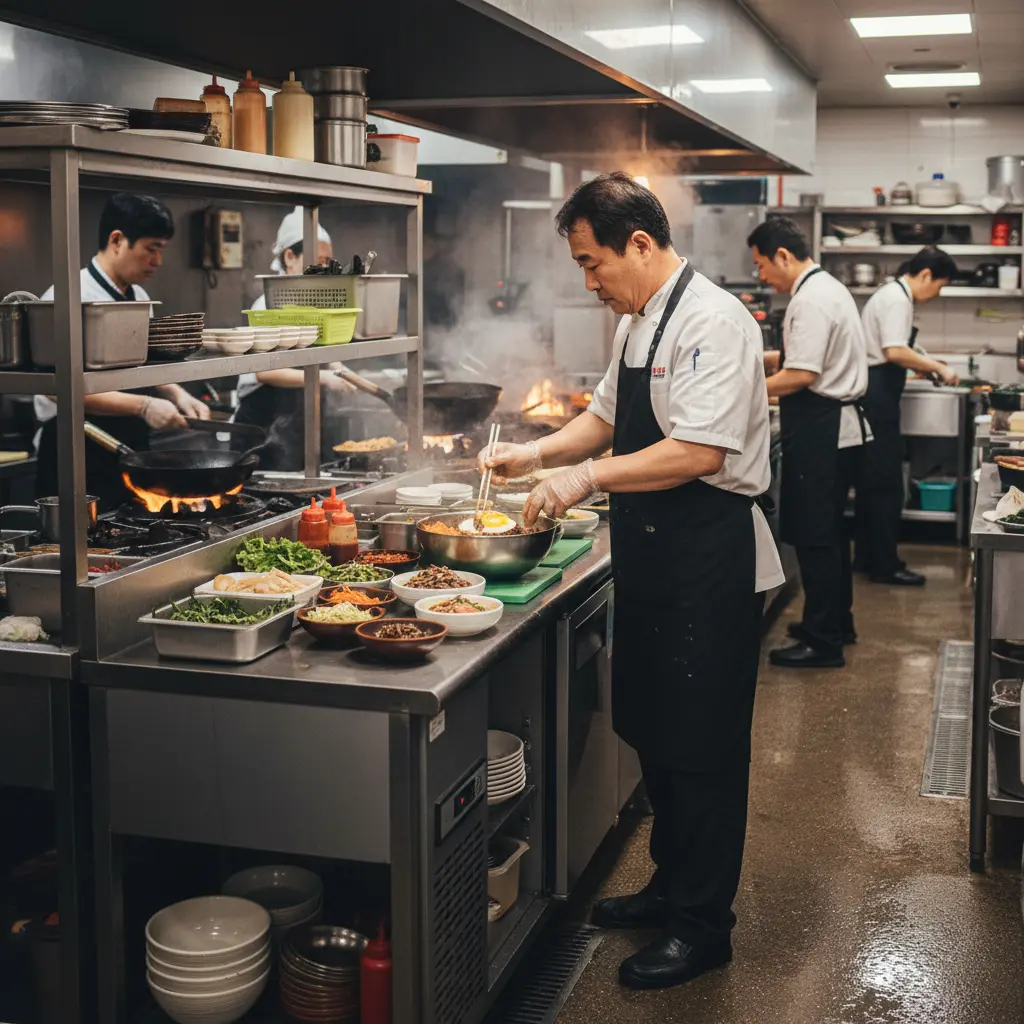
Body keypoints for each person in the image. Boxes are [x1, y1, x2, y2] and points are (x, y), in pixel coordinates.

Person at [481, 173, 783, 991]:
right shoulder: (637, 322)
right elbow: (607, 418)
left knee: (705, 750)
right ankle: (667, 886)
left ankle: (702, 927)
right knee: (654, 729)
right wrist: (536, 453)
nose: (588, 282)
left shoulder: (716, 321)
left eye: (593, 263)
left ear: (640, 244)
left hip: (709, 558)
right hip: (651, 554)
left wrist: (584, 480)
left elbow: (699, 452)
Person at [747, 217, 869, 670]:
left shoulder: (811, 300)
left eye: (761, 265)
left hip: (824, 428)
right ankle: (836, 621)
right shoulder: (827, 289)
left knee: (817, 537)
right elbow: (805, 355)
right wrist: (754, 357)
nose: (761, 275)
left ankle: (823, 641)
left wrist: (742, 390)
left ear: (782, 255)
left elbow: (802, 375)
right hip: (835, 427)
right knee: (830, 536)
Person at [35, 193, 209, 509]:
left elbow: (143, 361)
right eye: (151, 249)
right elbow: (56, 389)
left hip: (129, 445)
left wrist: (176, 393)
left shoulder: (138, 296)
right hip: (78, 447)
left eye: (161, 250)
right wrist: (143, 406)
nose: (157, 261)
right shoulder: (68, 294)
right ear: (117, 240)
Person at [855, 247, 959, 586]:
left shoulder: (890, 294)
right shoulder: (898, 299)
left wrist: (923, 368)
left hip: (875, 393)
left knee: (873, 484)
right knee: (885, 485)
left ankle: (869, 558)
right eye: (939, 286)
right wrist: (939, 368)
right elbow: (894, 351)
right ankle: (885, 566)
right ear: (926, 275)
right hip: (878, 396)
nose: (936, 294)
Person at [235, 207, 354, 469]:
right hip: (264, 428)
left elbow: (325, 348)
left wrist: (340, 370)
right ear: (290, 256)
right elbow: (265, 372)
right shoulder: (267, 304)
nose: (327, 269)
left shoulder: (314, 302)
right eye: (320, 261)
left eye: (329, 262)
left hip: (298, 427)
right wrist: (323, 378)